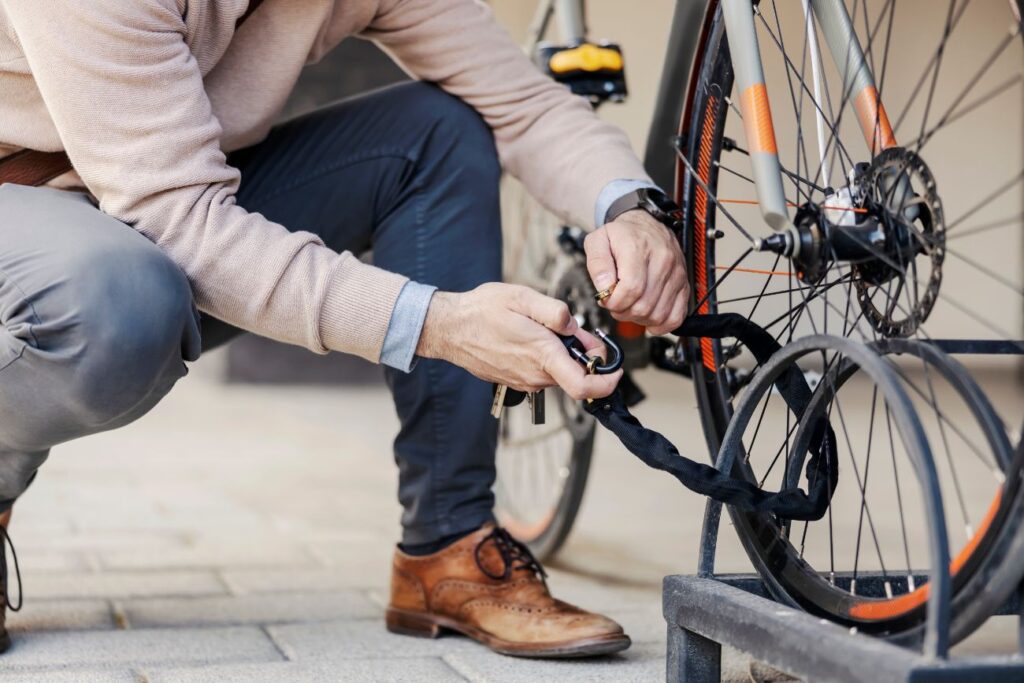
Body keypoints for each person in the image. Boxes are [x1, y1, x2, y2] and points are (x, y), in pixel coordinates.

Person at [0, 0, 688, 657]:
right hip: (29, 210)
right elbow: (180, 223)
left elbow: (522, 101)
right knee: (118, 301)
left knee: (437, 135)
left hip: (150, 197)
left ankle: (449, 548)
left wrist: (629, 207)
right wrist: (441, 323)